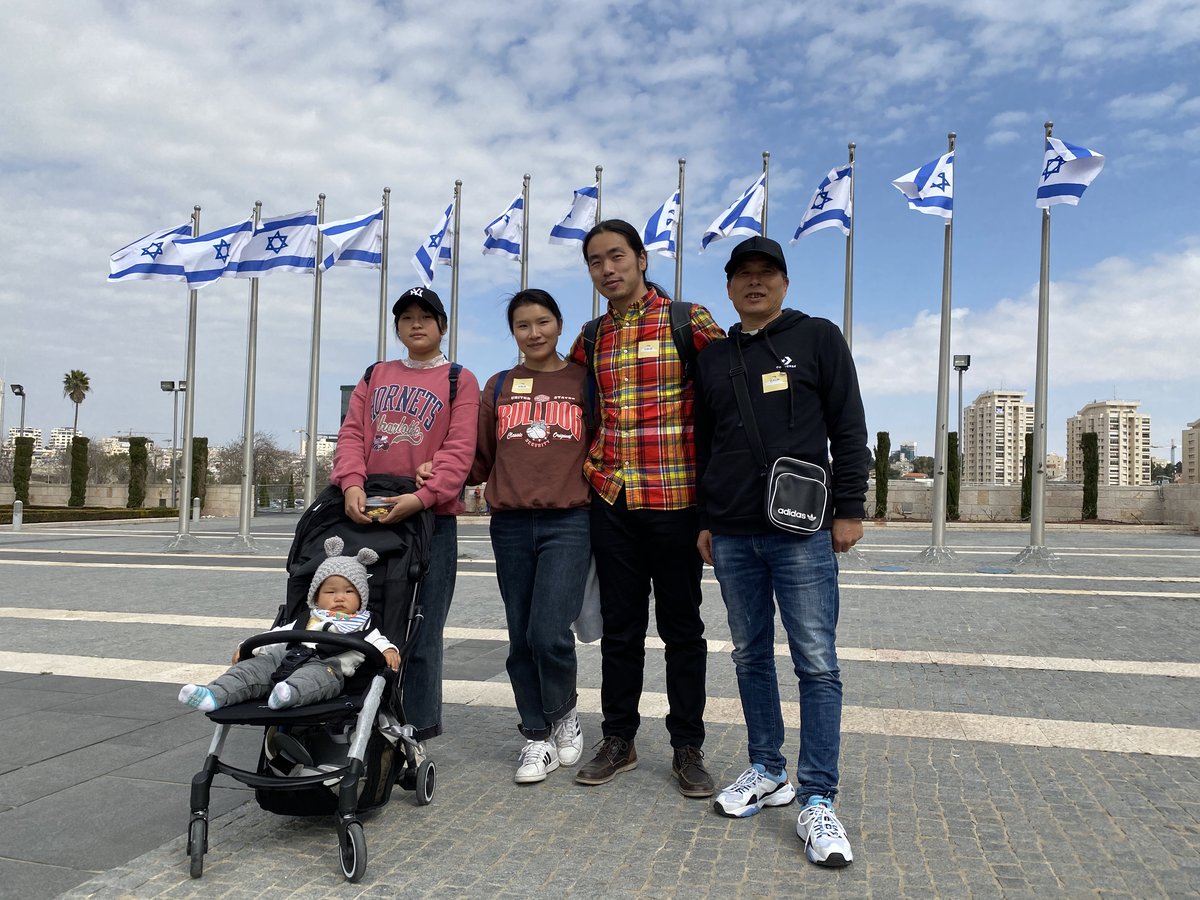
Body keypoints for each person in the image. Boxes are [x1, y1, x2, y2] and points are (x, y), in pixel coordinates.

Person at [694, 236, 869, 867]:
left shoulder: (817, 337)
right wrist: (707, 520)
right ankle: (767, 768)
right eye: (742, 275)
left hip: (801, 528)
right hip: (734, 531)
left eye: (766, 274)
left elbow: (850, 426)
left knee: (816, 663)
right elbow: (706, 444)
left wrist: (848, 508)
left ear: (785, 283)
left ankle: (818, 797)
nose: (754, 283)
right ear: (730, 288)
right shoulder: (713, 358)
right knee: (748, 655)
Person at [566, 219, 726, 797]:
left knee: (682, 628)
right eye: (595, 261)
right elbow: (565, 405)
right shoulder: (589, 337)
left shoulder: (689, 321)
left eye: (616, 256)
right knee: (620, 628)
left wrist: (719, 505)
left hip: (677, 498)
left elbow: (727, 403)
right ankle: (620, 738)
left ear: (641, 257)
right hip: (612, 497)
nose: (607, 269)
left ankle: (688, 746)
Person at [331, 286, 479, 748]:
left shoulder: (459, 379)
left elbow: (460, 448)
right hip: (369, 512)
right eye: (407, 317)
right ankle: (363, 719)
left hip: (429, 518)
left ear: (443, 326)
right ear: (397, 326)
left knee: (423, 625)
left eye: (426, 316)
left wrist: (426, 496)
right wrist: (350, 483)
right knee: (364, 621)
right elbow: (353, 433)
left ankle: (415, 729)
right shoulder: (376, 374)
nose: (416, 324)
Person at [468, 288, 591, 784]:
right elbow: (476, 457)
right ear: (513, 333)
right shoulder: (499, 386)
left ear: (559, 325)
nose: (534, 332)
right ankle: (535, 734)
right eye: (523, 325)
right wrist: (436, 470)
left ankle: (564, 713)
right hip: (511, 524)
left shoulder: (584, 382)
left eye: (543, 322)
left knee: (548, 632)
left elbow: (607, 443)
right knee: (520, 636)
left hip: (569, 521)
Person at [179, 537, 398, 712]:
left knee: (314, 679)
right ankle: (214, 694)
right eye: (331, 592)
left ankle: (288, 695)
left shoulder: (365, 625)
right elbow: (279, 634)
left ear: (361, 597)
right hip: (283, 659)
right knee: (250, 669)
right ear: (316, 597)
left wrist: (388, 650)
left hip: (328, 665)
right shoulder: (307, 618)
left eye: (349, 592)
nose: (340, 598)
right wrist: (249, 645)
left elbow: (378, 641)